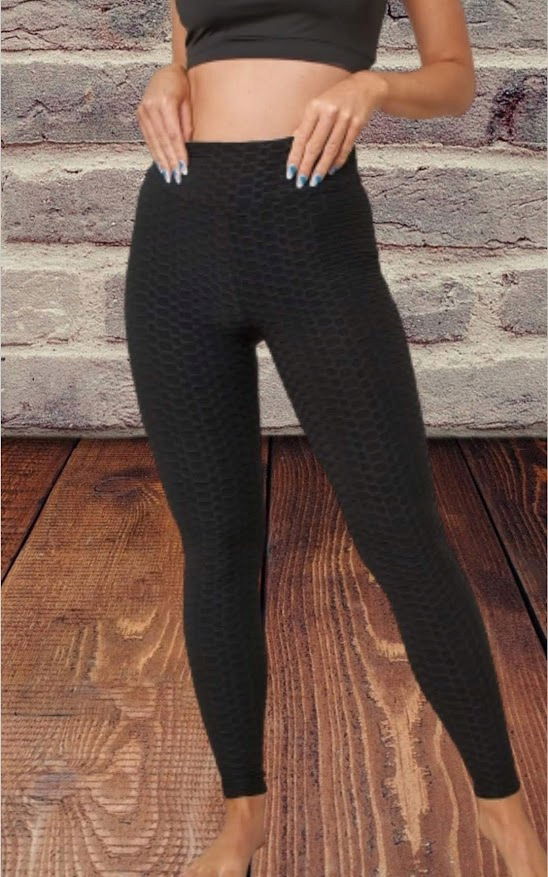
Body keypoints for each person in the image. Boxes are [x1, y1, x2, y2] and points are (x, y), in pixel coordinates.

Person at [123, 1, 547, 875]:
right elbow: (190, 49)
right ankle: (243, 818)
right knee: (216, 546)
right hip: (176, 233)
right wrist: (168, 75)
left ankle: (508, 819)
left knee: (404, 537)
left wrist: (372, 87)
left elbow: (455, 79)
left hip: (311, 233)